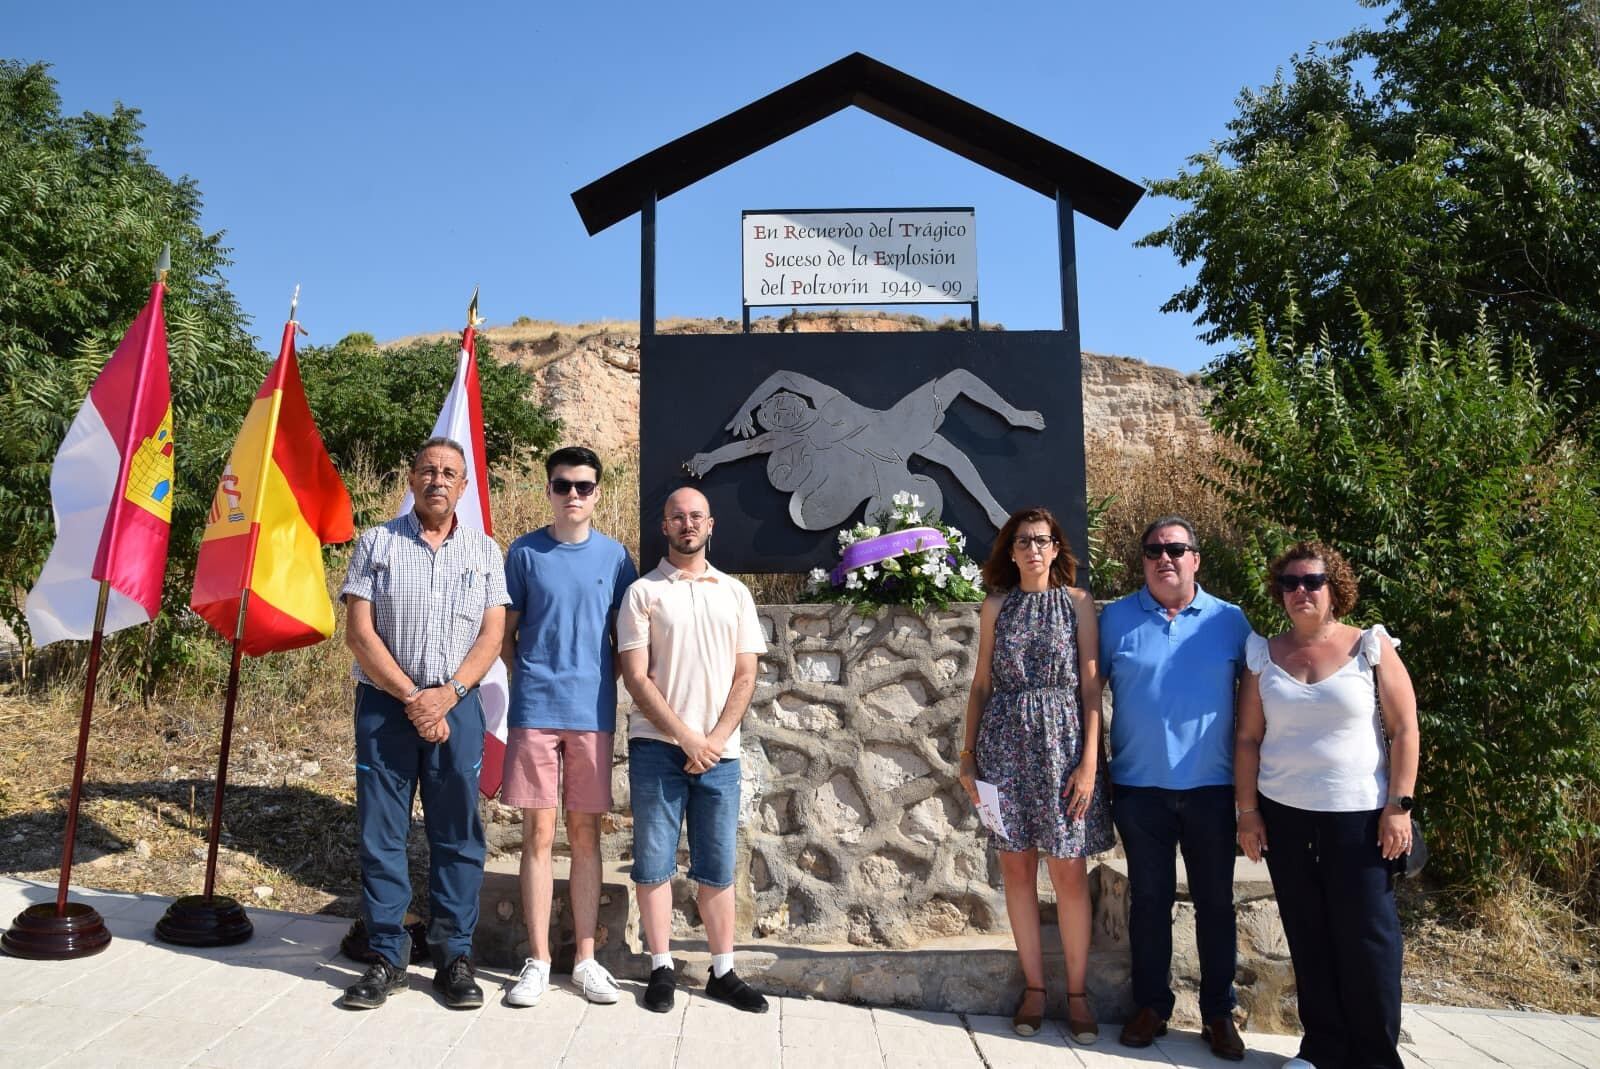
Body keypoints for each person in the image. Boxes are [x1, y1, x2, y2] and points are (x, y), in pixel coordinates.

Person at [339, 437, 509, 1010]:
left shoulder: (485, 551)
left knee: (457, 835)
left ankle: (452, 956)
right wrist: (415, 697)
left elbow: (492, 635)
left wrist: (448, 695)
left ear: (464, 487)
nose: (438, 479)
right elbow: (360, 634)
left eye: (450, 473)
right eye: (428, 470)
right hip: (387, 707)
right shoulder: (377, 543)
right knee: (382, 834)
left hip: (457, 706)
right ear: (411, 480)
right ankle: (387, 955)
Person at [1235, 542, 1419, 1069]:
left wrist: (1398, 806)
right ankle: (1321, 1050)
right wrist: (1247, 813)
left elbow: (1405, 728)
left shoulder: (1371, 646)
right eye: (1290, 583)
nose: (1300, 592)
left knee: (1368, 939)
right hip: (1285, 817)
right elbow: (1248, 737)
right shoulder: (1263, 654)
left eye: (1312, 582)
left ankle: (1376, 1058)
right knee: (1308, 932)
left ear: (1334, 590)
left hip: (1361, 818)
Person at [957, 507, 1113, 1045]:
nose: (1033, 549)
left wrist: (1091, 761)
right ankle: (1034, 989)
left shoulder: (1078, 604)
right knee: (1018, 870)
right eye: (1023, 541)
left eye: (1042, 540)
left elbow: (1091, 688)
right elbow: (980, 685)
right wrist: (968, 755)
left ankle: (1077, 994)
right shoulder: (996, 605)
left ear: (1056, 547)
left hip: (1065, 748)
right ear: (1011, 549)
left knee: (1069, 870)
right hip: (1004, 746)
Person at [1099, 515, 1251, 1059]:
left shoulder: (1231, 622)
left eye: (1177, 548)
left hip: (1212, 789)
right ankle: (1152, 1007)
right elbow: (1088, 701)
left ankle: (1217, 1013)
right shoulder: (1114, 620)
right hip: (1139, 790)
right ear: (1142, 560)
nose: (1166, 557)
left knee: (1215, 904)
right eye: (1154, 550)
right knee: (1150, 902)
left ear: (1196, 559)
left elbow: (1257, 709)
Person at [617, 486, 769, 1014]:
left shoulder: (735, 593)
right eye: (677, 517)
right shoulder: (642, 593)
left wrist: (716, 739)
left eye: (696, 516)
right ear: (664, 526)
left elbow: (746, 673)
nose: (687, 524)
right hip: (658, 749)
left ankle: (722, 972)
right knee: (654, 864)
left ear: (711, 525)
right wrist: (687, 737)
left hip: (720, 755)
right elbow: (636, 677)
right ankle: (659, 967)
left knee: (717, 868)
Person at [500, 446, 638, 1008]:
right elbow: (505, 637)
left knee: (584, 835)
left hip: (592, 714)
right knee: (536, 834)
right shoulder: (524, 553)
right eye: (563, 485)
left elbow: (625, 637)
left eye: (583, 485)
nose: (573, 494)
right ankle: (537, 961)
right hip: (535, 711)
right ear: (549, 490)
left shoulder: (616, 558)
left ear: (598, 492)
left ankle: (585, 960)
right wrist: (531, 677)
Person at [684, 368, 1044, 529]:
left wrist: (747, 408)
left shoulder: (824, 398)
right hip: (888, 459)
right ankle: (996, 513)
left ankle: (1012, 416)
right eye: (776, 415)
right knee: (952, 458)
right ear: (781, 426)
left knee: (959, 381)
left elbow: (780, 376)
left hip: (895, 424)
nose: (782, 407)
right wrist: (712, 457)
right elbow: (748, 447)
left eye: (781, 402)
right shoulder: (795, 437)